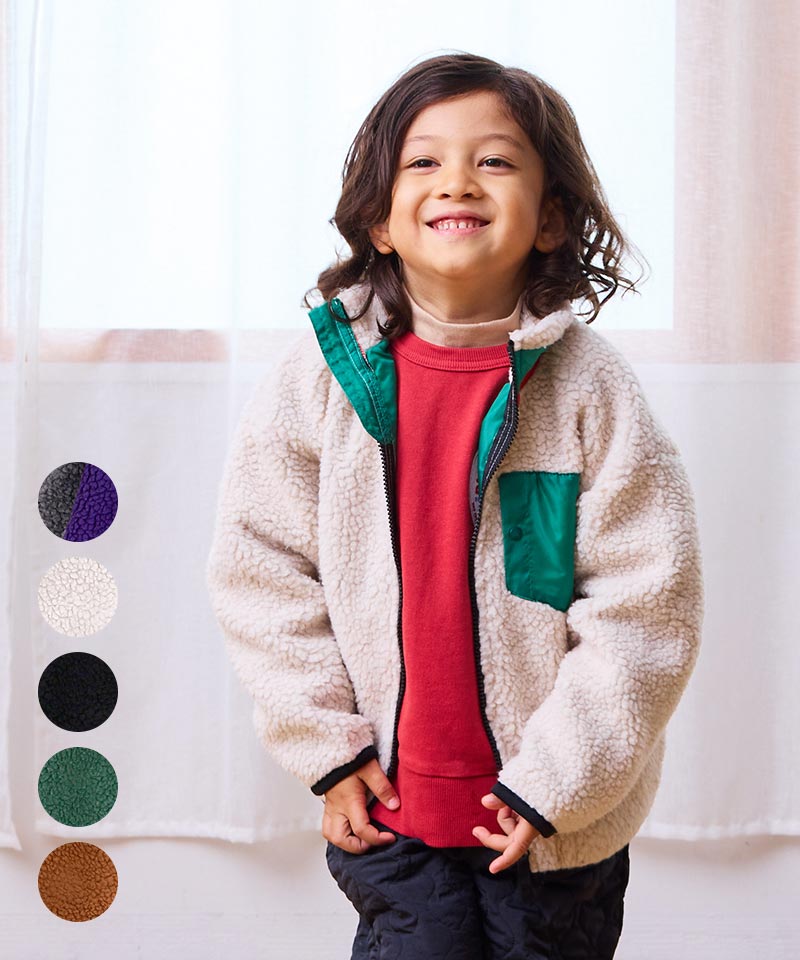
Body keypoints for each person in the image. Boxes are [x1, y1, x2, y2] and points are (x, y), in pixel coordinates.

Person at [206, 51, 704, 960]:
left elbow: (647, 607)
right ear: (380, 219)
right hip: (389, 808)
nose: (459, 181)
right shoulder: (321, 378)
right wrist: (327, 746)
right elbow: (259, 568)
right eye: (424, 161)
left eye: (497, 161)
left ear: (551, 218)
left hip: (551, 824)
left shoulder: (593, 391)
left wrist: (559, 783)